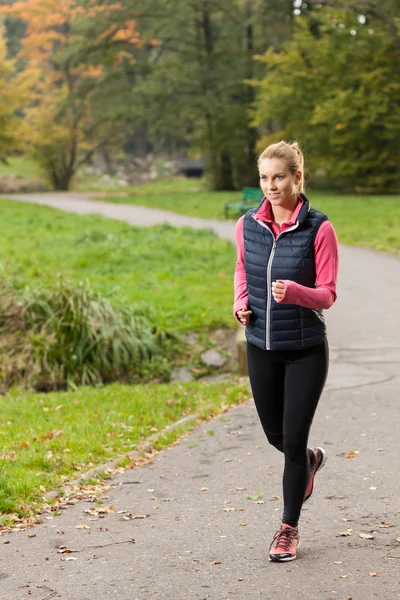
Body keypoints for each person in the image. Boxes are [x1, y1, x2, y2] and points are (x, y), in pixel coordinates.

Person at [233, 140, 339, 562]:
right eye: (264, 178)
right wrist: (241, 301)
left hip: (305, 350)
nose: (270, 186)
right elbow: (243, 266)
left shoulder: (319, 228)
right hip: (261, 345)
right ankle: (311, 460)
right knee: (275, 436)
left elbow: (327, 294)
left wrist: (295, 292)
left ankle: (288, 529)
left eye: (279, 177)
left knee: (292, 441)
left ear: (298, 177)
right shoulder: (247, 224)